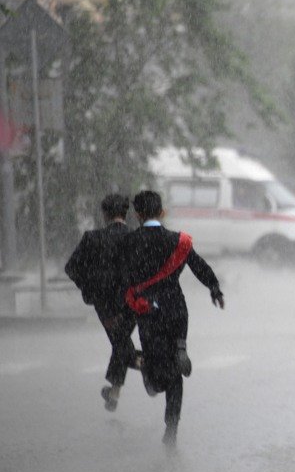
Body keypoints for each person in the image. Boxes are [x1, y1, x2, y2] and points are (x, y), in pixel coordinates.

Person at [118, 190, 224, 447]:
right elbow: (198, 265)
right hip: (176, 309)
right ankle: (172, 425)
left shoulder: (130, 242)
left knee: (156, 373)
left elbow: (121, 278)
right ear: (162, 213)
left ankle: (151, 372)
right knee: (175, 375)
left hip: (148, 310)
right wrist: (214, 287)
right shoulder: (178, 241)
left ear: (137, 214)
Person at [64, 193, 141, 411]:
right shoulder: (137, 239)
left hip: (105, 305)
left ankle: (150, 367)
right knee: (121, 343)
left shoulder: (92, 238)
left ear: (105, 214)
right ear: (125, 213)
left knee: (120, 344)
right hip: (132, 304)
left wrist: (90, 289)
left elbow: (71, 268)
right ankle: (117, 390)